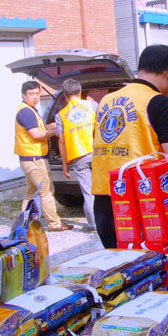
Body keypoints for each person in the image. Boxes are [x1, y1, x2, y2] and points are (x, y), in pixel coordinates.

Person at [91, 44, 168, 248]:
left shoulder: (107, 100)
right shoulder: (158, 102)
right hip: (141, 200)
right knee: (151, 263)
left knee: (120, 263)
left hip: (105, 200)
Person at [14, 81, 73, 232]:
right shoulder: (26, 112)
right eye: (31, 94)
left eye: (37, 93)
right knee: (46, 191)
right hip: (35, 159)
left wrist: (55, 124)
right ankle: (54, 224)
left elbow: (40, 128)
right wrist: (57, 131)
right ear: (23, 95)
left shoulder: (29, 110)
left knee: (31, 192)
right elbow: (36, 134)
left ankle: (25, 224)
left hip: (28, 158)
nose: (35, 97)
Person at [55, 79, 97, 232]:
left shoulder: (60, 115)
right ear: (80, 92)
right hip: (97, 153)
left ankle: (93, 225)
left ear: (65, 96)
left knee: (88, 193)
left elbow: (61, 141)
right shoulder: (92, 105)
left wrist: (64, 165)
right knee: (104, 189)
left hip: (79, 158)